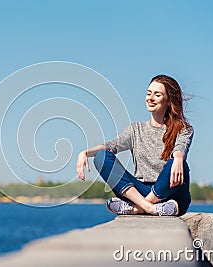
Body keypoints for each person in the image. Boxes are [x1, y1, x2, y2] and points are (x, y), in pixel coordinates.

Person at [76, 74, 193, 216]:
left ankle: (137, 209)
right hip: (140, 191)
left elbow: (181, 147)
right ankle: (149, 208)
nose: (150, 98)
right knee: (101, 157)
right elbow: (111, 146)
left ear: (168, 101)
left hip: (172, 197)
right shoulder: (136, 129)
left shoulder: (184, 129)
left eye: (157, 95)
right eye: (148, 93)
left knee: (178, 163)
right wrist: (85, 152)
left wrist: (179, 159)